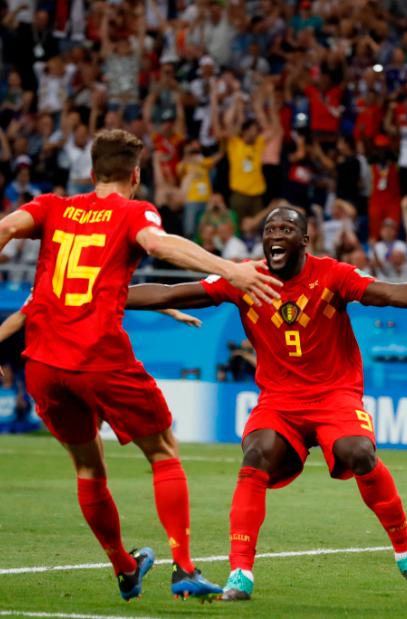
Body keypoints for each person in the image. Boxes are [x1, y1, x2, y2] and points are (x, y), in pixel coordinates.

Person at [125, 206, 407, 602]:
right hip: (279, 401)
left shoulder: (332, 275)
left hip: (334, 395)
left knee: (358, 452)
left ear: (304, 241)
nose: (276, 234)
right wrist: (108, 295)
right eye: (270, 228)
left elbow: (389, 293)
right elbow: (171, 293)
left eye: (287, 229)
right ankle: (240, 572)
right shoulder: (244, 278)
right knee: (255, 453)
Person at [0, 129, 280, 601]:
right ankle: (185, 568)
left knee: (88, 469)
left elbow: (6, 228)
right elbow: (159, 243)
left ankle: (126, 569)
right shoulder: (134, 211)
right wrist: (231, 269)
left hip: (44, 362)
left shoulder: (51, 206)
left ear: (91, 173)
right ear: (135, 174)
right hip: (98, 357)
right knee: (164, 452)